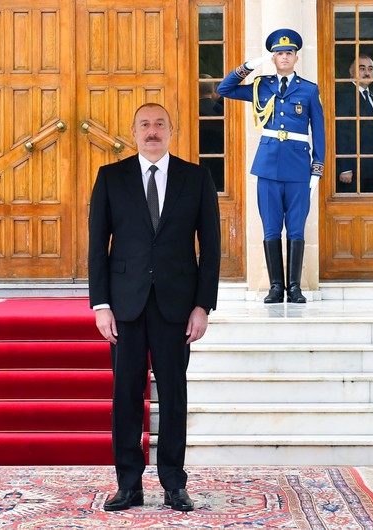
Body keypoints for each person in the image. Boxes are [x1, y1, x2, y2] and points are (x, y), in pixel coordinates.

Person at [88, 103, 222, 512]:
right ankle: (128, 484)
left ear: (171, 130)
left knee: (174, 396)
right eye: (144, 125)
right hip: (124, 306)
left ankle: (174, 483)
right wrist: (101, 304)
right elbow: (97, 246)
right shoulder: (110, 177)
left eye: (159, 124)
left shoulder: (196, 178)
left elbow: (211, 247)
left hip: (176, 306)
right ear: (133, 132)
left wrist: (202, 306)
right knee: (126, 396)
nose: (152, 131)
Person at [217, 28, 325, 304]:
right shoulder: (261, 86)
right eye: (279, 54)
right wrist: (249, 66)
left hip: (298, 167)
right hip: (267, 166)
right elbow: (224, 89)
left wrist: (318, 166)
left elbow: (319, 130)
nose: (284, 57)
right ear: (273, 58)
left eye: (289, 53)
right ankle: (276, 287)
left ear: (296, 58)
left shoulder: (309, 89)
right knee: (271, 227)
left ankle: (295, 287)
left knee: (297, 228)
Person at [336, 55, 373, 193]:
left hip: (370, 170)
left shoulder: (371, 95)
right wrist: (345, 168)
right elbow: (341, 132)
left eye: (370, 69)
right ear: (351, 71)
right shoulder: (345, 95)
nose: (367, 73)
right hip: (353, 170)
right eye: (362, 69)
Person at [199, 76, 225, 156]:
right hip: (219, 152)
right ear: (213, 89)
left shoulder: (191, 110)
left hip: (199, 150)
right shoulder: (221, 109)